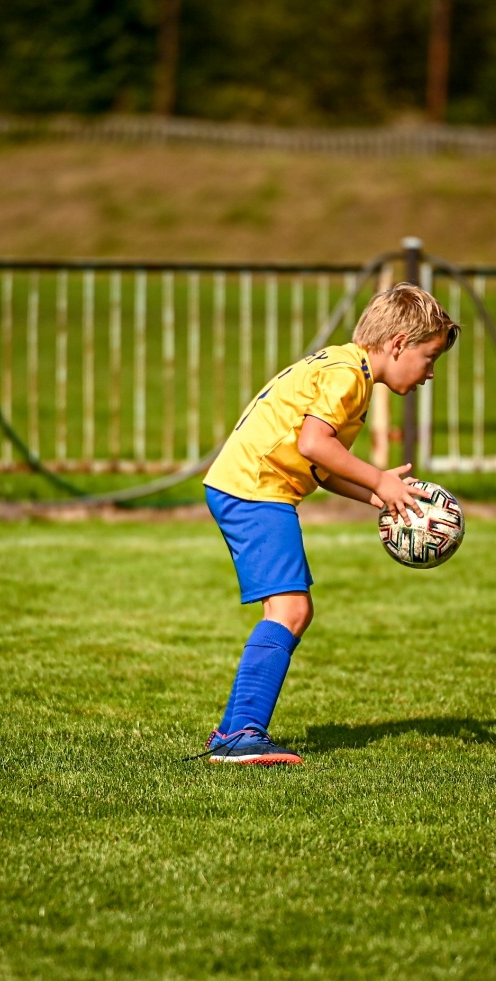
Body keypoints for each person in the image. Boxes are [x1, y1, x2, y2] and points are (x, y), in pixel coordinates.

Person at [198, 283, 458, 764]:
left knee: (285, 610)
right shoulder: (347, 378)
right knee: (293, 611)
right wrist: (380, 478)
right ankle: (243, 736)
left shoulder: (344, 366)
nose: (430, 373)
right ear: (399, 344)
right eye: (430, 357)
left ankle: (233, 732)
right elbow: (315, 446)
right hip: (256, 488)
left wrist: (379, 496)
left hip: (248, 484)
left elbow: (324, 467)